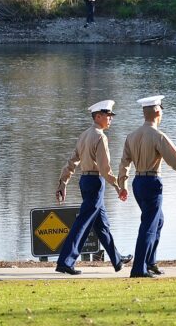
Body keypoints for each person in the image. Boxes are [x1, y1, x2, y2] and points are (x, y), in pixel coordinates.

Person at [118, 95, 176, 278]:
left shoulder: (131, 136)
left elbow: (124, 163)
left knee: (158, 221)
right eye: (162, 110)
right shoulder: (158, 136)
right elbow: (175, 161)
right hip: (151, 183)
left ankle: (150, 263)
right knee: (149, 225)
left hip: (137, 183)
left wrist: (122, 185)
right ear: (158, 112)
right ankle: (139, 269)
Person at [55, 100, 132, 275]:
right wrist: (118, 186)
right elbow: (105, 169)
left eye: (111, 116)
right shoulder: (100, 137)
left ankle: (117, 259)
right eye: (108, 116)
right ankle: (65, 262)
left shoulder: (83, 135)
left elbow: (72, 162)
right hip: (96, 183)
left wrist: (63, 182)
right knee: (82, 223)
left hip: (85, 181)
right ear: (98, 116)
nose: (111, 119)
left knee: (102, 225)